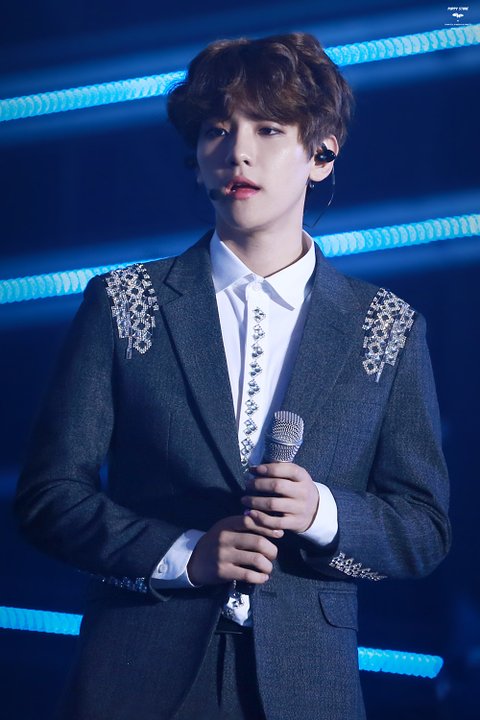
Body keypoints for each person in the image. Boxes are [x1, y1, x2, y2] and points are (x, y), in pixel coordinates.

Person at [15, 32, 451, 720]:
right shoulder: (124, 301)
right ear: (195, 157)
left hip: (308, 688)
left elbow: (423, 530)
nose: (238, 151)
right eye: (217, 130)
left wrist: (322, 512)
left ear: (322, 152)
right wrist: (183, 554)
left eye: (268, 128)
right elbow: (49, 497)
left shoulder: (387, 326)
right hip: (135, 677)